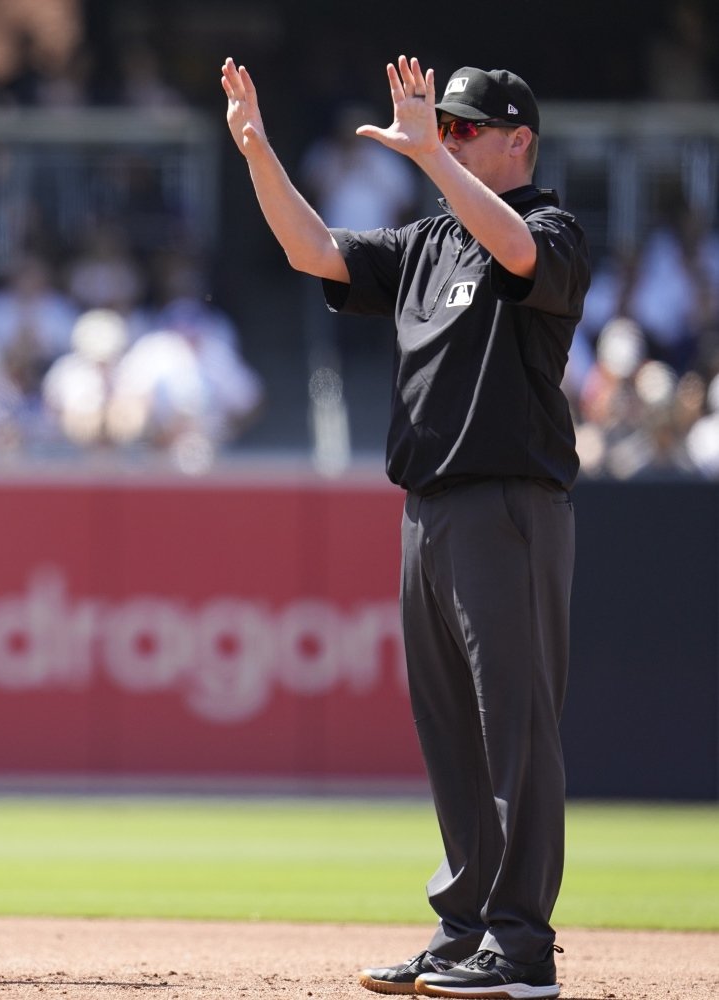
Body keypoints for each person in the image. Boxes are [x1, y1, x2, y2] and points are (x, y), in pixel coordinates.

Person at [220, 56, 588, 999]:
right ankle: (464, 928)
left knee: (515, 730)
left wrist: (430, 159)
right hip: (427, 505)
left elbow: (516, 255)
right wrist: (259, 153)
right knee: (452, 733)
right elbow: (315, 251)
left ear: (520, 141)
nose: (451, 137)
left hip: (506, 501)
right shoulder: (429, 242)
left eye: (468, 128)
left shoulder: (549, 226)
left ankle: (521, 949)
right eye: (446, 126)